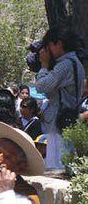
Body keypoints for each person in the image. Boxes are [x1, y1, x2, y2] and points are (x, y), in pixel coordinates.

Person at [35, 26, 85, 170]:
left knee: (57, 168)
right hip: (67, 120)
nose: (47, 50)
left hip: (59, 124)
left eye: (49, 45)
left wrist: (44, 65)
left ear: (59, 43)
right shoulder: (75, 63)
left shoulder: (65, 65)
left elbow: (41, 87)